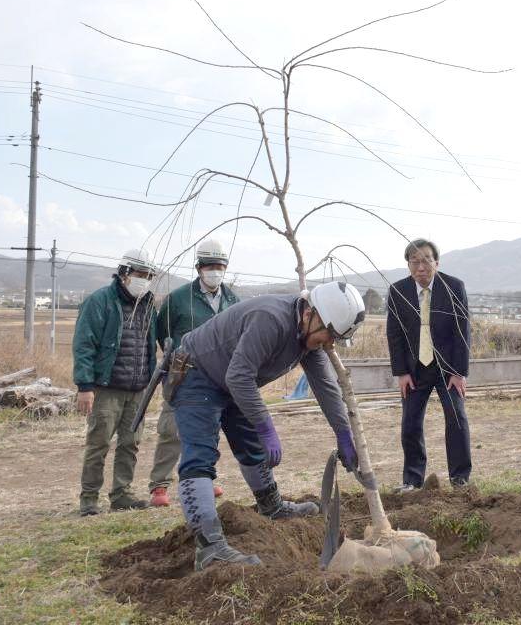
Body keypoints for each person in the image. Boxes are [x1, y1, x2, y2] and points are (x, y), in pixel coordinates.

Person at [171, 282, 366, 570]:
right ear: (310, 313)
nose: (329, 344)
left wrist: (343, 434)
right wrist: (266, 426)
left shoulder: (308, 337)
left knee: (250, 445)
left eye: (335, 338)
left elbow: (326, 387)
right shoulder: (271, 319)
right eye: (329, 334)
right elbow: (239, 377)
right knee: (200, 456)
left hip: (230, 378)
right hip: (196, 373)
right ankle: (210, 548)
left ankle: (271, 507)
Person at [147, 239, 239, 507]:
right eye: (209, 266)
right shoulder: (178, 299)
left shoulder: (232, 300)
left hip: (217, 376)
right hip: (183, 374)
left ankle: (204, 479)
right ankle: (159, 486)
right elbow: (162, 333)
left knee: (209, 429)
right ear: (199, 267)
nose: (214, 271)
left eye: (219, 266)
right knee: (172, 429)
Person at [73, 248, 159, 516]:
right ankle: (89, 498)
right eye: (139, 274)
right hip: (106, 388)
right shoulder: (100, 301)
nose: (143, 280)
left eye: (148, 275)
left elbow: (149, 346)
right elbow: (84, 345)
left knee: (130, 443)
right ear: (124, 273)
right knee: (98, 443)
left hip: (137, 388)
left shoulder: (147, 305)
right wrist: (84, 386)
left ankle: (121, 494)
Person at [385, 239, 472, 491]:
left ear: (436, 262)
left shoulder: (453, 286)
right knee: (410, 423)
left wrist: (459, 372)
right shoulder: (398, 290)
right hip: (414, 369)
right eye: (414, 261)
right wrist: (401, 372)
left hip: (447, 369)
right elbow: (395, 334)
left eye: (426, 260)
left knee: (456, 419)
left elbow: (462, 330)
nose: (420, 267)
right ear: (408, 265)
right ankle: (412, 480)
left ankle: (460, 479)